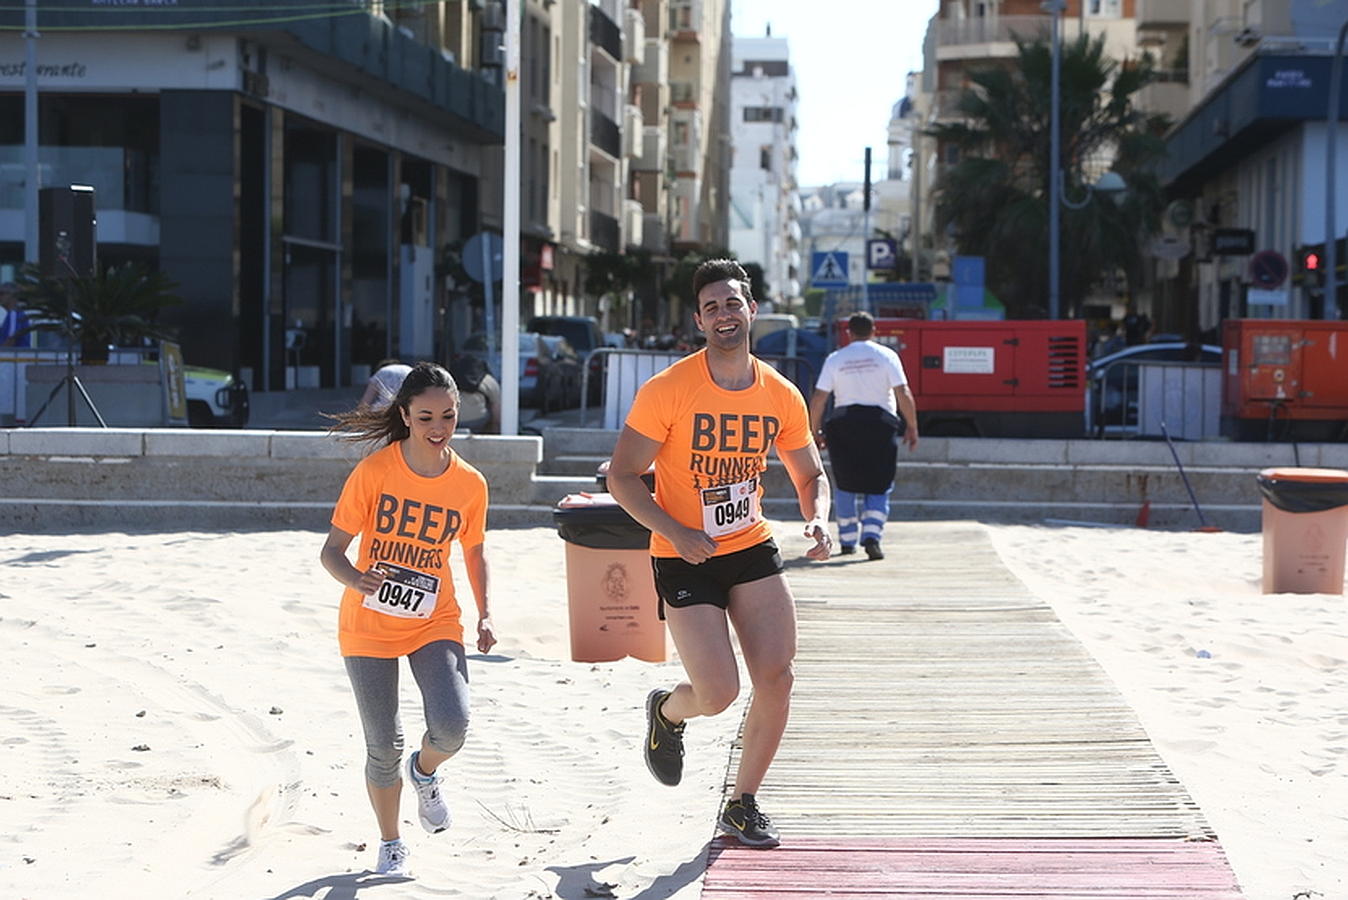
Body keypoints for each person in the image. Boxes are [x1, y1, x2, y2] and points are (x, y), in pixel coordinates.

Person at [606, 258, 832, 850]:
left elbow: (811, 473)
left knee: (778, 677)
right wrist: (675, 532)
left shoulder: (780, 393)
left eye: (732, 303)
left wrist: (818, 517)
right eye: (711, 308)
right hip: (683, 555)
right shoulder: (669, 390)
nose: (724, 315)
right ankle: (669, 713)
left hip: (750, 545)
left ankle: (743, 802)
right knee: (719, 693)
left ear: (751, 309)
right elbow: (624, 477)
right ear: (699, 321)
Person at [320, 362, 496, 877]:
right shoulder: (375, 472)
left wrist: (486, 613)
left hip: (432, 619)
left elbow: (475, 552)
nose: (438, 428)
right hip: (368, 625)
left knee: (453, 726)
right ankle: (391, 841)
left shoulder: (470, 483)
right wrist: (355, 579)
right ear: (405, 415)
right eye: (425, 418)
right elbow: (332, 552)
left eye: (447, 416)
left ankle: (425, 772)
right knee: (383, 746)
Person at [807, 312, 918, 561]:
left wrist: (815, 431)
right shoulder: (887, 356)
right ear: (874, 331)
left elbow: (819, 399)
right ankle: (872, 536)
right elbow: (903, 392)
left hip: (844, 424)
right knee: (879, 482)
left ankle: (847, 540)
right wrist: (912, 426)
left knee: (846, 483)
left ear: (849, 333)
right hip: (881, 425)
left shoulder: (836, 358)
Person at [0, 282, 31, 348]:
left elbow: (11, 339)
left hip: (16, 357)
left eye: (1, 293)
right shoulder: (13, 314)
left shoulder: (13, 315)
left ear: (12, 295)